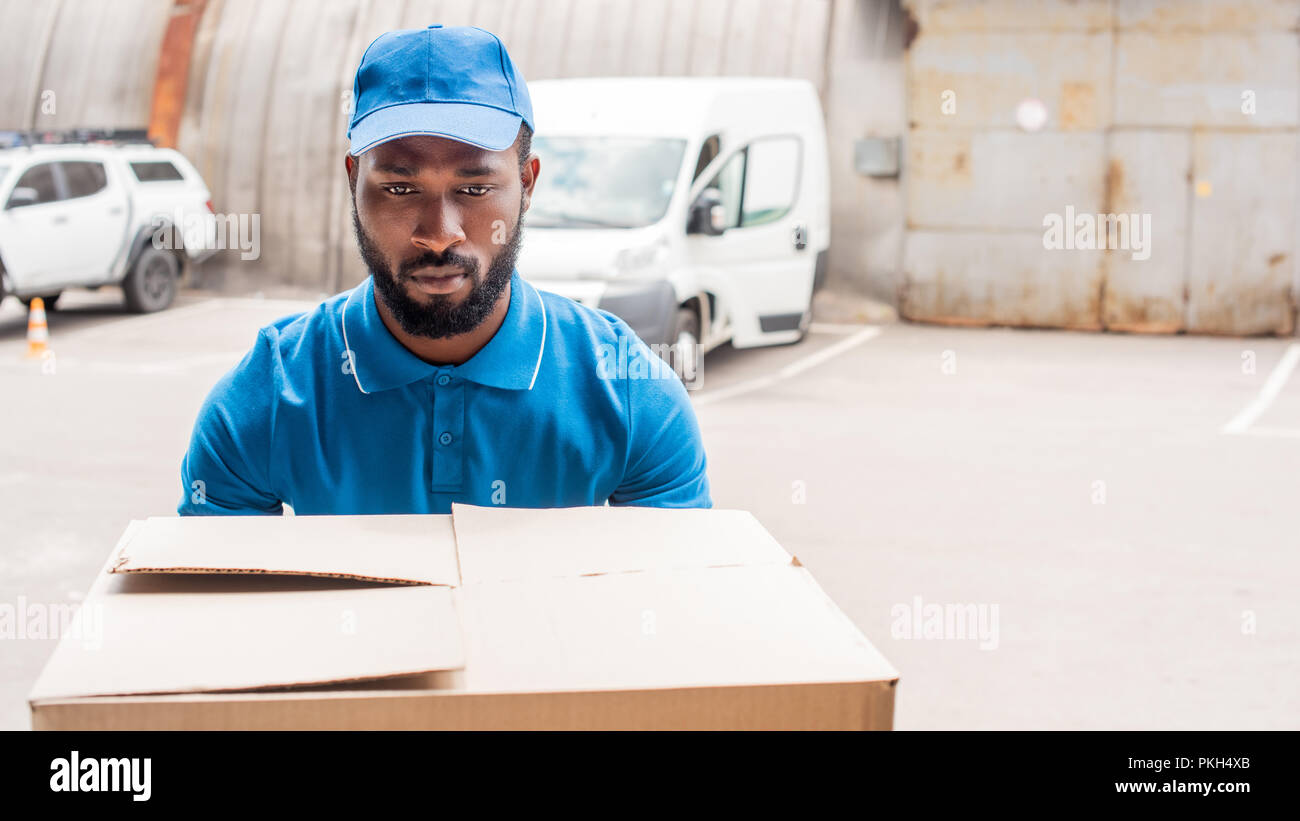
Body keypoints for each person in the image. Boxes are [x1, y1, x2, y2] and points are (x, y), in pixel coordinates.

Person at [177, 24, 711, 515]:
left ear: (527, 184)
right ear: (353, 183)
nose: (438, 233)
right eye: (399, 188)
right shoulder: (268, 396)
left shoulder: (628, 392)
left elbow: (672, 596)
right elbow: (219, 605)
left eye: (474, 189)